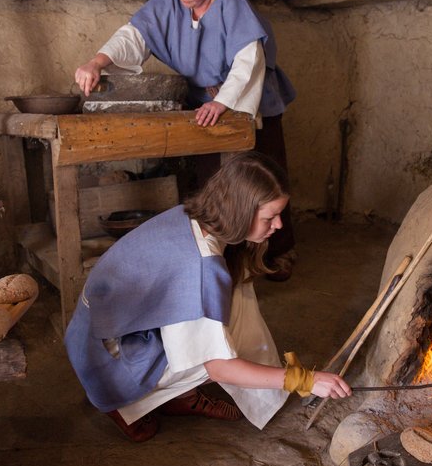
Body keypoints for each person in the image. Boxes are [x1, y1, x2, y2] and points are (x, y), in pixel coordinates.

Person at [64, 151, 351, 442]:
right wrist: (305, 379)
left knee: (236, 294)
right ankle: (124, 405)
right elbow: (218, 366)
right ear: (239, 210)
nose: (278, 225)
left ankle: (179, 394)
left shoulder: (195, 218)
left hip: (104, 329)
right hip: (104, 359)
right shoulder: (201, 265)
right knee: (209, 355)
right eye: (270, 217)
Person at [74, 0, 297, 280]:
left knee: (266, 180)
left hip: (249, 100)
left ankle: (277, 255)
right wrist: (96, 62)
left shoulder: (232, 4)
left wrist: (223, 102)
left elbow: (248, 61)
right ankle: (226, 259)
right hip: (208, 104)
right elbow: (133, 36)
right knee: (216, 181)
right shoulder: (170, 3)